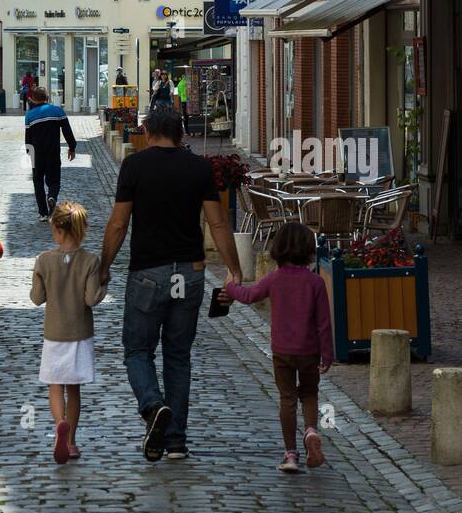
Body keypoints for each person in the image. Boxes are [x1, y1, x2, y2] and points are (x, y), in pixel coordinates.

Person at [99, 107, 242, 462]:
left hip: (148, 272)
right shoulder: (198, 168)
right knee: (178, 356)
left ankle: (152, 406)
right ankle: (176, 440)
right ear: (180, 134)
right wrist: (235, 270)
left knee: (137, 350)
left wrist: (103, 266)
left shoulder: (134, 167)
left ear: (148, 133)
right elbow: (219, 224)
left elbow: (118, 224)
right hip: (189, 272)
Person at [223, 222, 332, 472]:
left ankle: (290, 454)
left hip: (282, 351)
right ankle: (311, 431)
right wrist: (327, 354)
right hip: (309, 351)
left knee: (287, 399)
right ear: (308, 250)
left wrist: (230, 286)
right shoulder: (315, 283)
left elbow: (249, 296)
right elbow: (323, 323)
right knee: (309, 393)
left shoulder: (274, 279)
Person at [30, 201, 106, 463]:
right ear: (82, 230)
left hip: (53, 334)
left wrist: (40, 278)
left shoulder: (44, 261)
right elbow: (91, 298)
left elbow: (36, 298)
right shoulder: (90, 261)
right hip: (80, 334)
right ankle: (71, 441)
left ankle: (59, 422)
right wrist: (104, 285)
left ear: (56, 230)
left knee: (54, 386)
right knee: (74, 390)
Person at [25, 87, 77, 220]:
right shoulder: (58, 111)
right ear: (47, 97)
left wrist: (28, 152)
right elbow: (67, 131)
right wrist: (72, 147)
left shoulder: (29, 116)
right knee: (54, 180)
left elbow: (28, 138)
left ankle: (42, 213)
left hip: (36, 153)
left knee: (37, 182)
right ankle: (52, 196)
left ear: (33, 99)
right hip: (53, 152)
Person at [176, 70, 190, 136]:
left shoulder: (179, 83)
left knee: (185, 116)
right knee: (191, 115)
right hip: (190, 101)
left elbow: (178, 94)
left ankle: (187, 131)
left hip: (183, 101)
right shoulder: (189, 82)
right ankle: (191, 128)